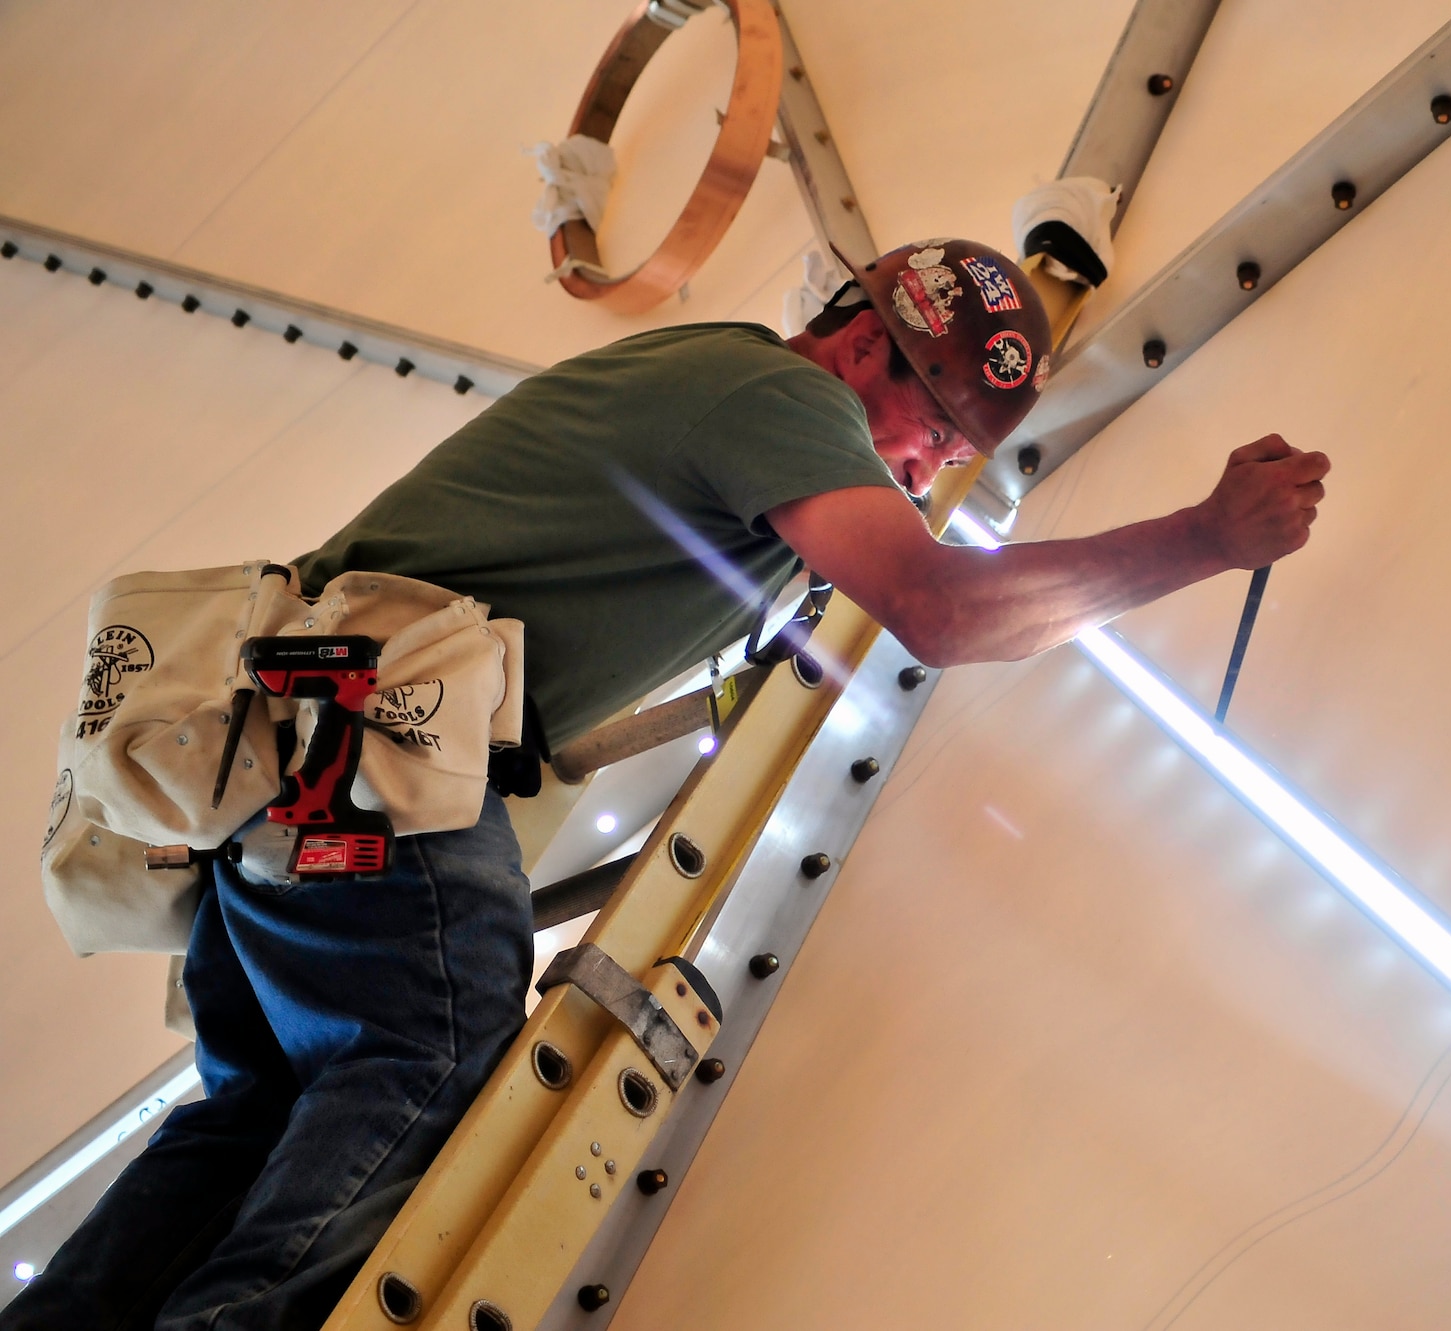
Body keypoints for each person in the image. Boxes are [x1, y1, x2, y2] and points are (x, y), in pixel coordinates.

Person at [5, 239, 1327, 1331]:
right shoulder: (776, 401)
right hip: (377, 748)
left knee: (258, 1114)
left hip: (298, 769)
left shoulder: (708, 404)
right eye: (928, 437)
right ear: (865, 348)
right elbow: (934, 602)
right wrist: (1202, 540)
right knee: (432, 1047)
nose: (918, 481)